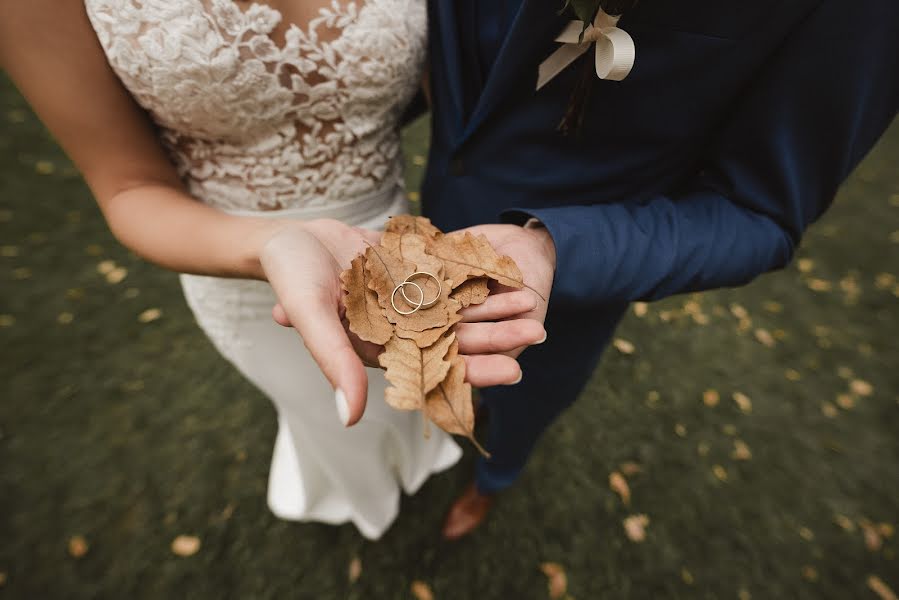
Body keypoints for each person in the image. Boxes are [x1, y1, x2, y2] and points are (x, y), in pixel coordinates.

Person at [0, 0, 547, 540]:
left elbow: (452, 91)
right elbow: (128, 187)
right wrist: (270, 244)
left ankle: (418, 458)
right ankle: (361, 496)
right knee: (331, 413)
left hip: (394, 240)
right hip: (240, 259)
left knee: (414, 384)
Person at [423, 0, 899, 538]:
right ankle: (476, 410)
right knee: (459, 374)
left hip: (570, 277)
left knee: (526, 402)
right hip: (439, 204)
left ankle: (493, 479)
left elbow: (761, 210)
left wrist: (555, 249)